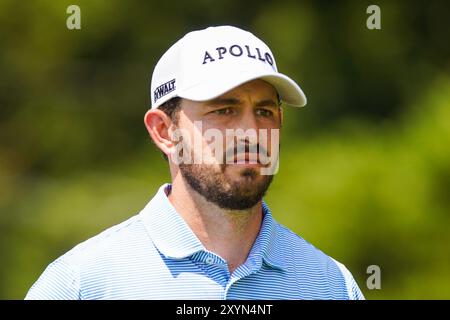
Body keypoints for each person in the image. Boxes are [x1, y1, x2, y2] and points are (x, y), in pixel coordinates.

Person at [25, 25, 364, 300]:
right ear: (164, 130)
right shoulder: (80, 285)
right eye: (223, 110)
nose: (251, 132)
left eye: (264, 111)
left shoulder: (332, 286)